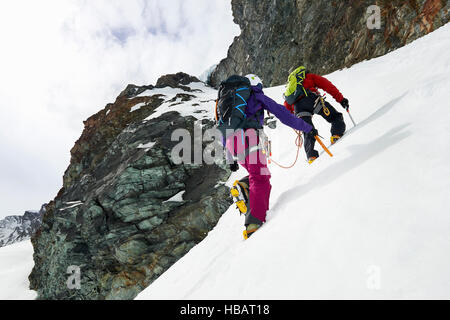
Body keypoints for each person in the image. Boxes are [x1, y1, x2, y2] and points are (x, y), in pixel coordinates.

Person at [217, 74, 313, 239]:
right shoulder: (255, 94)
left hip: (234, 145)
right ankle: (254, 223)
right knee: (260, 178)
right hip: (249, 139)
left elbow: (225, 127)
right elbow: (282, 113)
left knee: (260, 174)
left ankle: (242, 186)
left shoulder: (229, 100)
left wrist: (230, 158)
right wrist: (307, 128)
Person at [283, 66, 350, 163]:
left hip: (299, 109)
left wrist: (296, 121)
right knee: (335, 116)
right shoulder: (309, 77)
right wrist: (341, 99)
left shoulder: (290, 88)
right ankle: (336, 134)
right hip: (313, 101)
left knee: (308, 131)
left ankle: (311, 156)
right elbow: (328, 86)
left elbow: (286, 107)